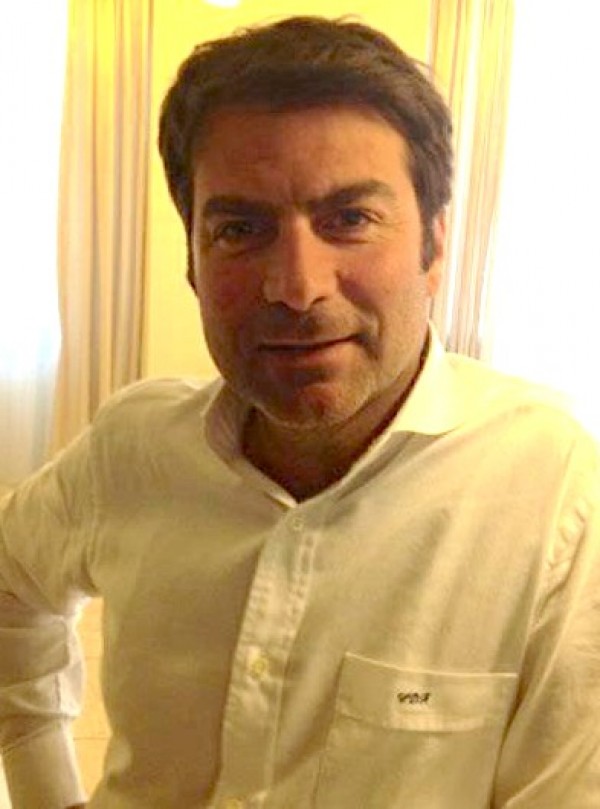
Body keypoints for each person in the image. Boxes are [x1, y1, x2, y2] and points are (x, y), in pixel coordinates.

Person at [1, 14, 599, 809]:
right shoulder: (131, 448)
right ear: (192, 260)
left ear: (434, 247)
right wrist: (39, 774)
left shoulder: (556, 497)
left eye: (350, 219)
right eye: (240, 228)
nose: (297, 286)